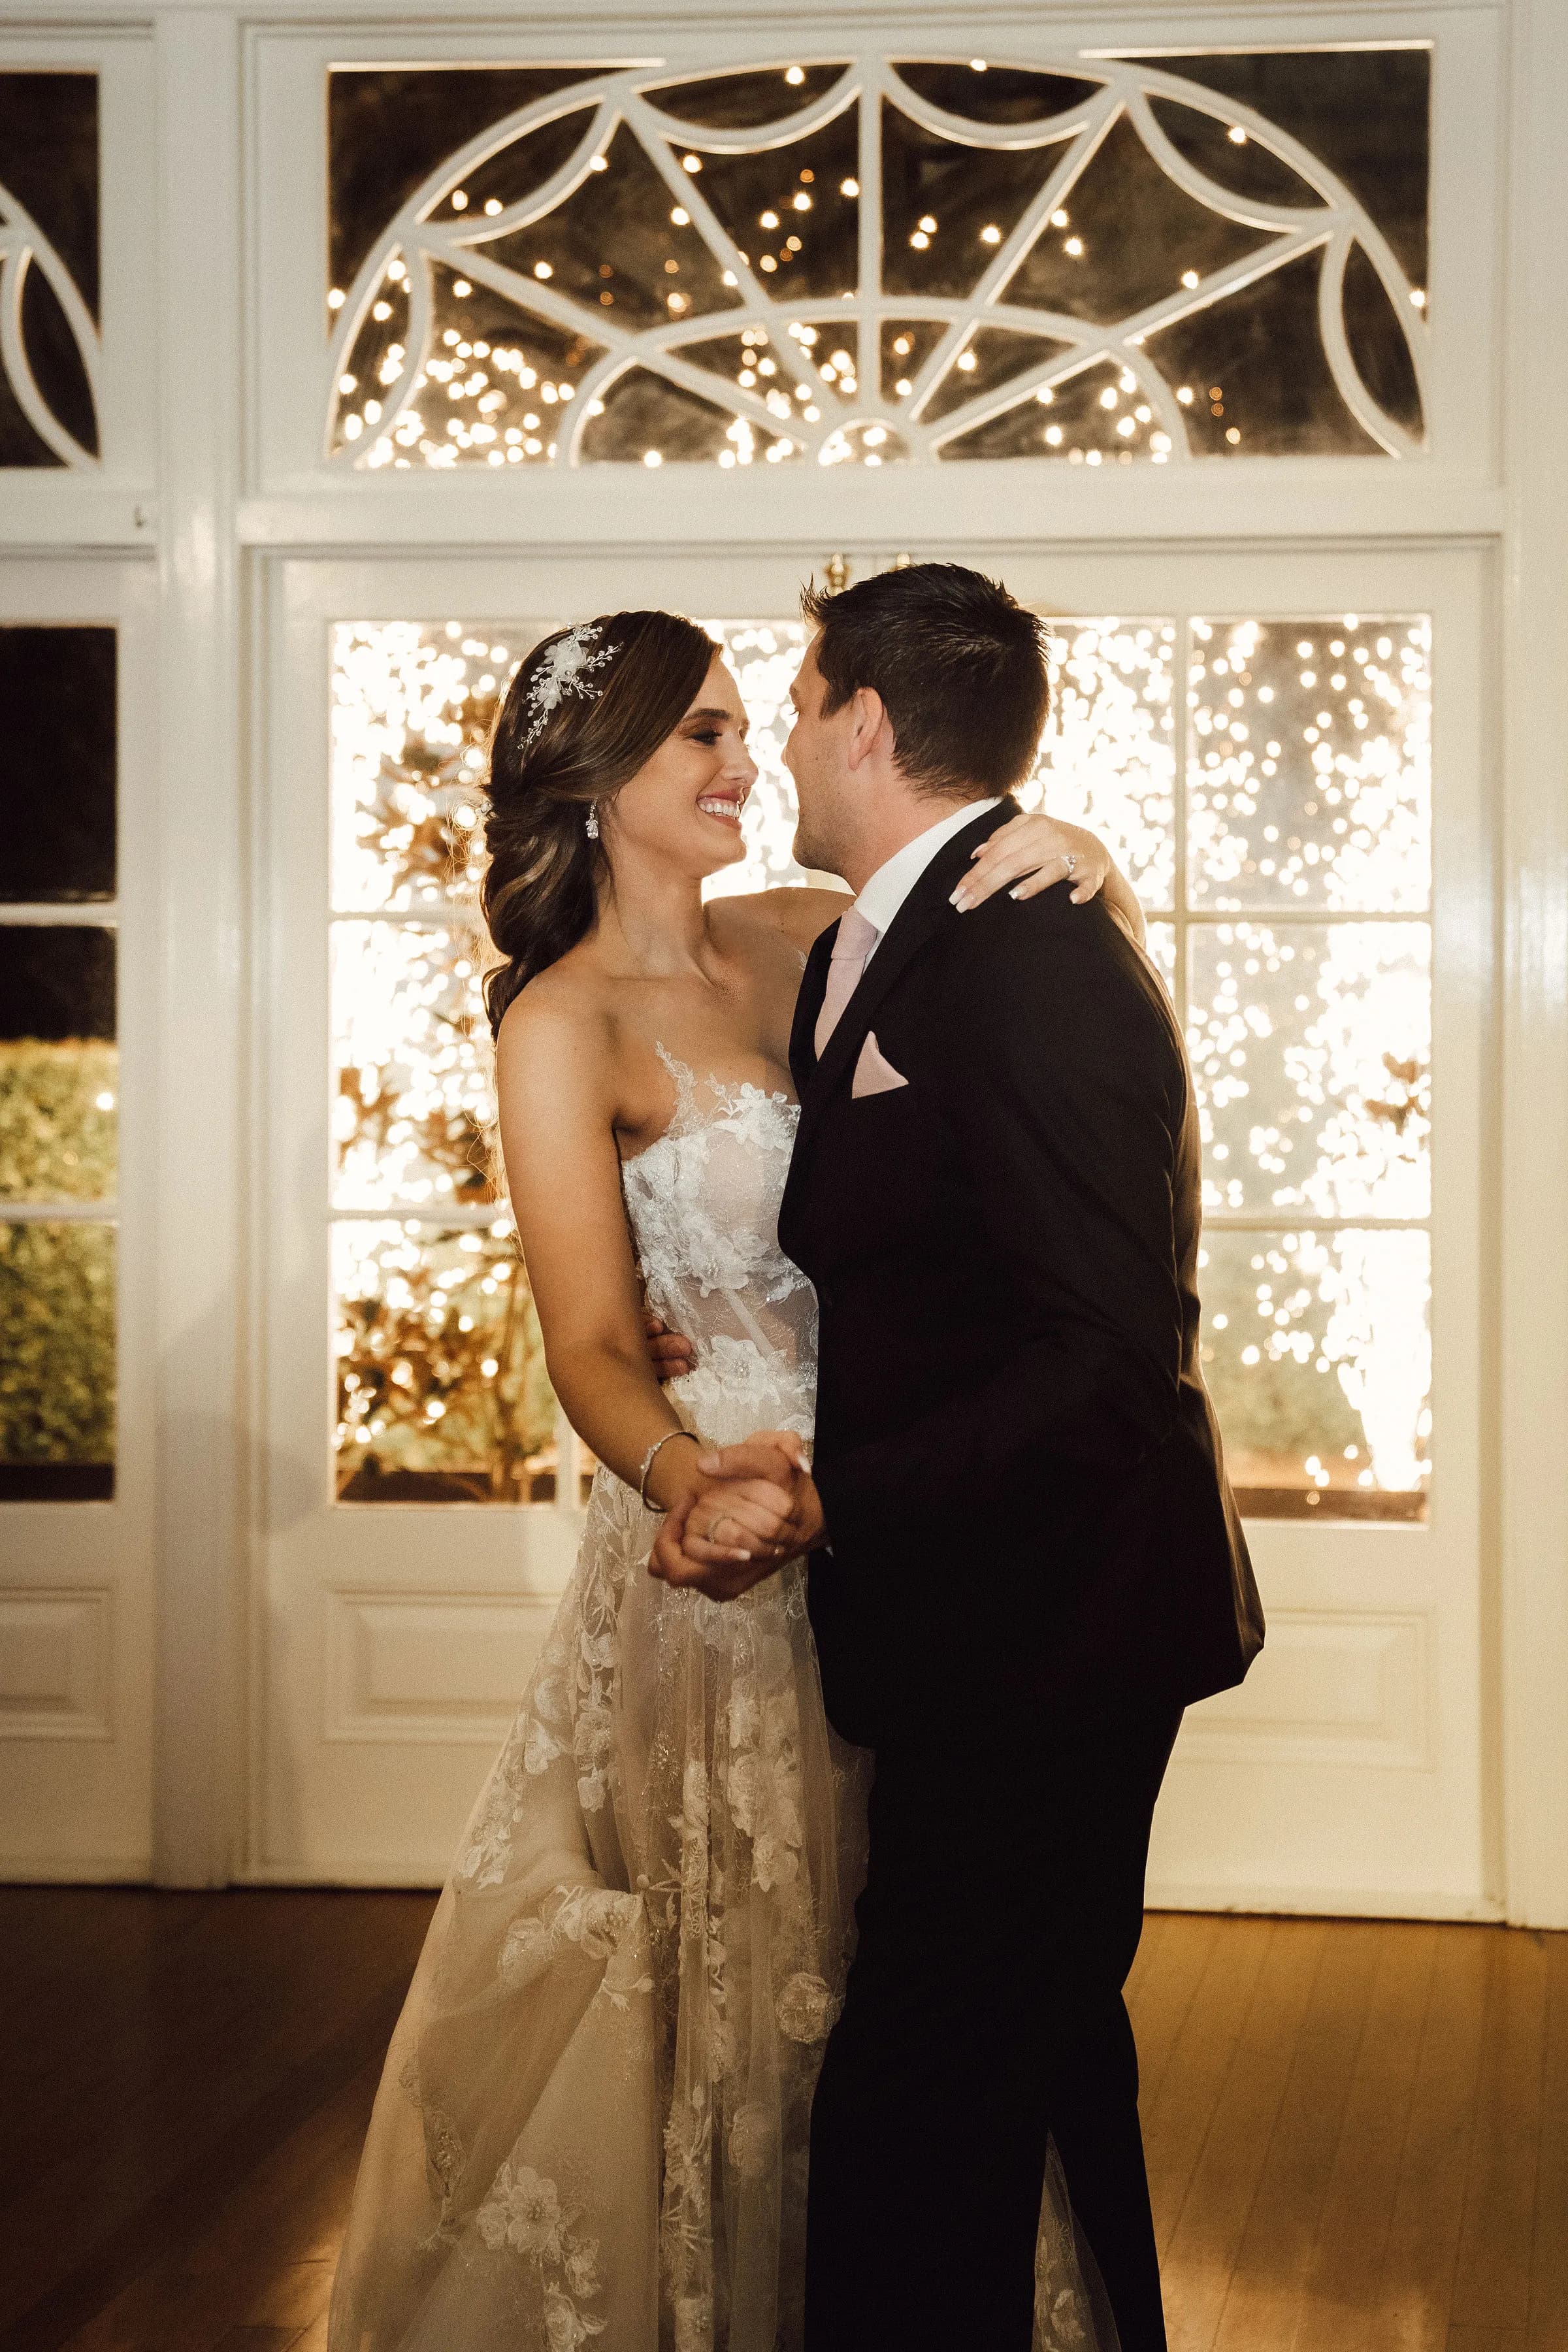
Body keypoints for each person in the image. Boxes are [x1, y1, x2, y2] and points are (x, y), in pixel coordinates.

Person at [326, 603, 1141, 2352]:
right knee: (741, 1986)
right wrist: (696, 1475)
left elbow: (979, 924)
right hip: (730, 1556)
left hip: (906, 1518)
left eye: (745, 722)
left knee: (921, 1974)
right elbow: (594, 1347)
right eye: (701, 732)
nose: (743, 757)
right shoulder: (560, 1023)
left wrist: (1069, 850)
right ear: (599, 774)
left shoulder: (802, 937)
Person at [652, 564, 1266, 2352]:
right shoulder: (863, 932)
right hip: (967, 1617)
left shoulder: (1032, 950)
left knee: (925, 2086)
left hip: (1054, 1625)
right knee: (1045, 2053)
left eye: (789, 701)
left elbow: (1105, 1358)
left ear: (862, 721)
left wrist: (844, 1498)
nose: (769, 740)